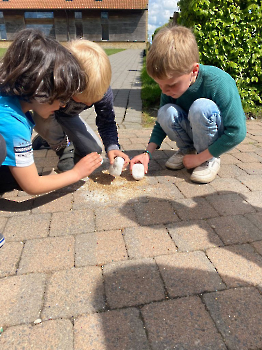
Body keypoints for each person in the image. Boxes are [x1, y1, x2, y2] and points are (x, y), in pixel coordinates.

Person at [130, 25, 246, 183]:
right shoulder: (170, 88)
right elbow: (160, 124)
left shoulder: (219, 82)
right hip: (192, 132)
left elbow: (237, 132)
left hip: (212, 136)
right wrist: (147, 153)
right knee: (165, 111)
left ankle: (208, 159)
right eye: (160, 85)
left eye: (171, 85)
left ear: (194, 71)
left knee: (201, 107)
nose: (164, 91)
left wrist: (200, 158)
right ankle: (187, 151)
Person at [0, 28, 103, 195]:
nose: (63, 106)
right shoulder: (13, 123)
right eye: (62, 99)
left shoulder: (10, 101)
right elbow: (32, 186)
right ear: (42, 91)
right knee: (14, 177)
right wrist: (77, 173)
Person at [32, 39, 129, 172]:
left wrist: (112, 147)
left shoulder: (101, 89)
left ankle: (48, 140)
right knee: (42, 118)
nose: (89, 104)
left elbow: (107, 121)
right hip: (47, 114)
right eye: (83, 100)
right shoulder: (54, 82)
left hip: (68, 117)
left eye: (94, 100)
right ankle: (60, 146)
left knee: (93, 150)